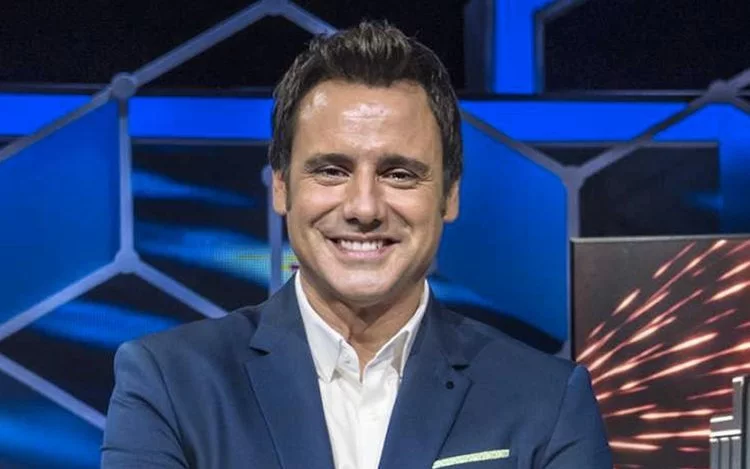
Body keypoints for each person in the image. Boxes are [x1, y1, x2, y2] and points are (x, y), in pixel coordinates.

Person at [101, 21, 612, 469]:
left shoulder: (546, 400)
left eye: (399, 173)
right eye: (331, 170)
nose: (364, 208)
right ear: (281, 187)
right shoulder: (170, 383)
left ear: (450, 195)